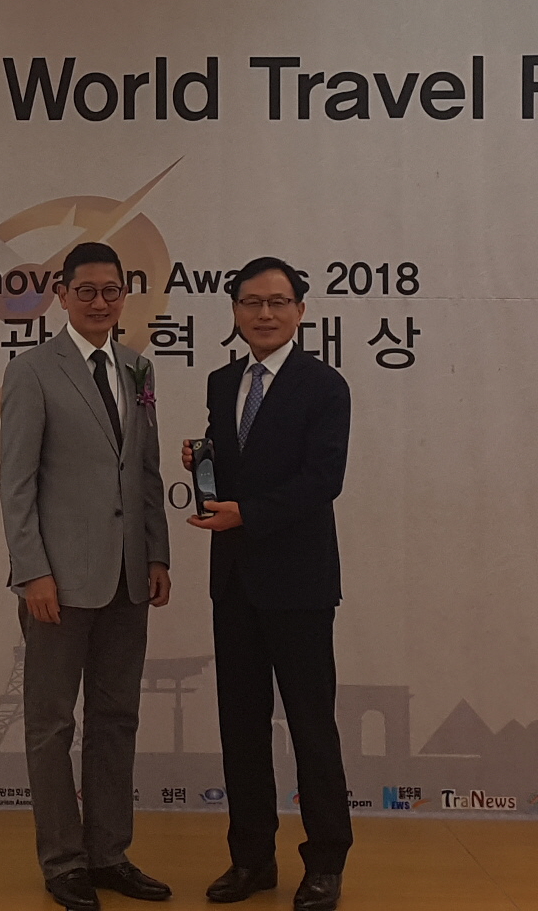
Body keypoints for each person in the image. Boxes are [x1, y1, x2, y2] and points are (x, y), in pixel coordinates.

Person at [0, 241, 173, 910]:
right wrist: (32, 572)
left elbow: (147, 471)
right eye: (87, 291)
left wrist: (156, 555)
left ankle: (109, 855)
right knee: (50, 725)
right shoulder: (32, 370)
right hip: (58, 584)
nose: (100, 302)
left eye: (112, 290)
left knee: (116, 718)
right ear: (62, 295)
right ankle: (63, 862)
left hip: (128, 578)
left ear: (124, 296)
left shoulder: (137, 368)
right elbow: (17, 484)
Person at [184, 257, 352, 910]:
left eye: (278, 302)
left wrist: (247, 514)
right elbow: (237, 466)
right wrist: (202, 460)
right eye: (251, 302)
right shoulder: (222, 380)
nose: (264, 313)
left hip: (300, 584)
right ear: (233, 310)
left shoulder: (324, 385)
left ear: (300, 311)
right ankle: (251, 859)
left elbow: (322, 479)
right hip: (233, 581)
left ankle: (325, 863)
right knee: (241, 727)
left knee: (311, 727)